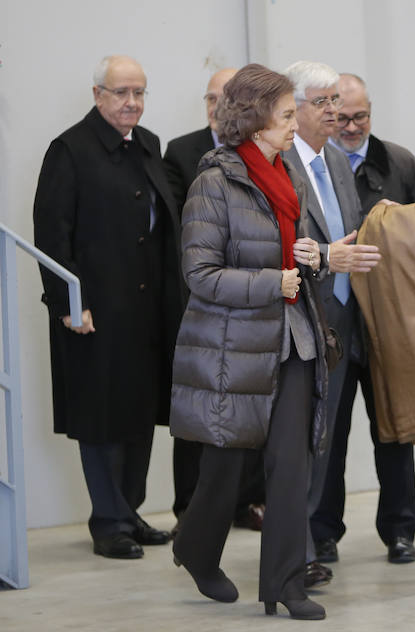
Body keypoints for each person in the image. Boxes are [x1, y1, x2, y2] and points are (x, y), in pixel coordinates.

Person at [168, 63, 330, 620]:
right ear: (257, 119)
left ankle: (285, 585)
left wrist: (310, 255)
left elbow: (295, 240)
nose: (296, 124)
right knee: (225, 468)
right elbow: (200, 274)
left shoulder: (289, 174)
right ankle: (194, 547)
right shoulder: (213, 182)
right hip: (231, 349)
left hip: (291, 340)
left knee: (290, 465)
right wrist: (272, 282)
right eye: (288, 115)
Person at [33, 54, 183, 560]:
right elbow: (53, 236)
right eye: (121, 92)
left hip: (145, 310)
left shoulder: (148, 146)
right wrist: (69, 304)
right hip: (93, 313)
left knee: (140, 414)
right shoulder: (69, 151)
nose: (132, 102)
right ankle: (109, 521)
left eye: (139, 92)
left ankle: (130, 510)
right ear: (97, 94)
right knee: (101, 418)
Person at [309, 72, 415, 564]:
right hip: (334, 317)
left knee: (397, 425)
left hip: (389, 319)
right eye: (341, 116)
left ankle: (400, 530)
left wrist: (407, 224)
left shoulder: (398, 161)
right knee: (328, 430)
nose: (350, 126)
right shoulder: (314, 164)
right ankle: (322, 532)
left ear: (372, 112)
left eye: (360, 116)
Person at [281, 61, 382, 569]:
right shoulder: (278, 164)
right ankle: (292, 553)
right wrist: (325, 254)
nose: (334, 112)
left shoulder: (338, 161)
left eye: (335, 102)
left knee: (326, 441)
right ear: (293, 108)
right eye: (322, 103)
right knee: (298, 442)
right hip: (298, 320)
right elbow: (280, 246)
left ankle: (312, 544)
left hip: (343, 319)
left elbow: (354, 230)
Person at [162, 67, 267, 534]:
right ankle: (190, 511)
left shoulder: (267, 158)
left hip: (256, 305)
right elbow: (186, 237)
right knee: (199, 413)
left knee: (248, 412)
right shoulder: (185, 153)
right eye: (212, 97)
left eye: (227, 97)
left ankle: (246, 502)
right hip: (204, 301)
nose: (217, 106)